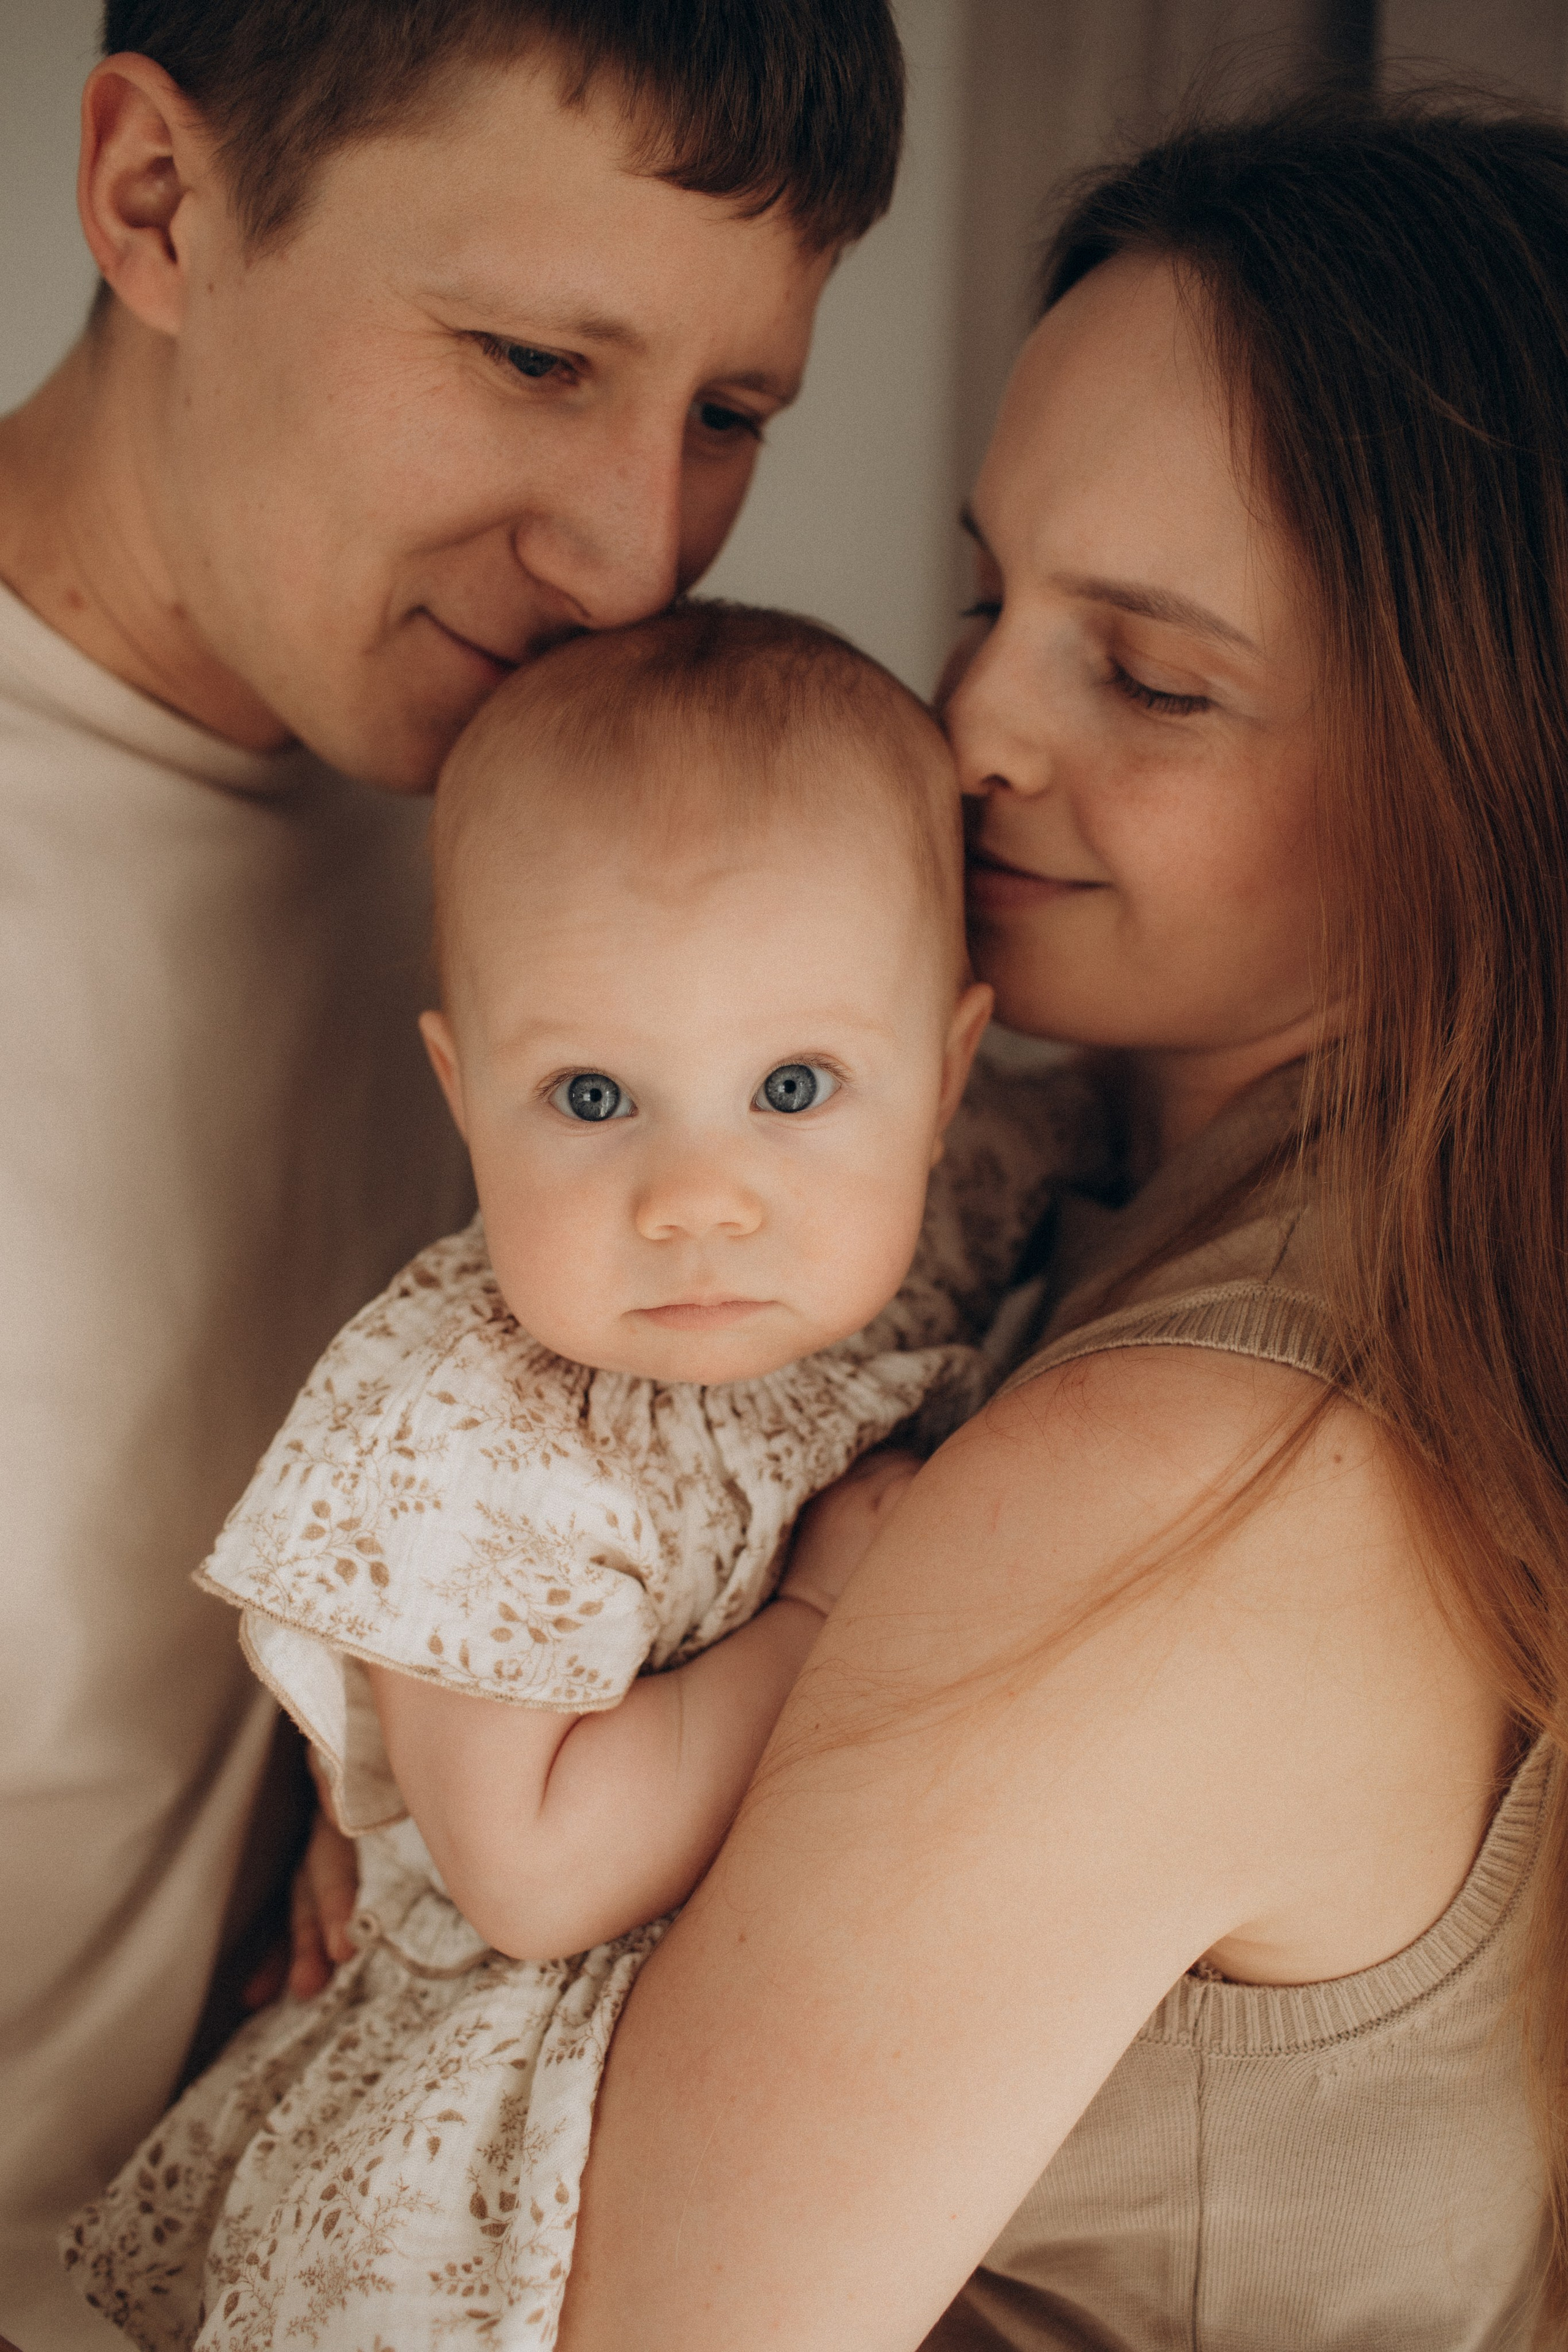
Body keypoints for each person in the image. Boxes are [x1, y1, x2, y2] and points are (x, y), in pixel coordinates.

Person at [551, 96, 1568, 2350]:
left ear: (1485, 763)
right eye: (991, 592)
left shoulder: (1190, 1483)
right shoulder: (1032, 1180)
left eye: (1154, 675)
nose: (971, 719)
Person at [0, 6, 903, 2344]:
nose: (630, 556)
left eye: (731, 418)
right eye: (529, 358)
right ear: (154, 205)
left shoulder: (611, 863)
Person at [62, 602, 1058, 2350]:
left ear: (947, 1076)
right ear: (465, 1091)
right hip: (485, 2149)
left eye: (796, 1085)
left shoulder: (928, 1221)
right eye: (592, 1096)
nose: (698, 1195)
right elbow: (529, 1870)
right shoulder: (472, 1430)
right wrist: (825, 1608)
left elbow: (1093, 1156)